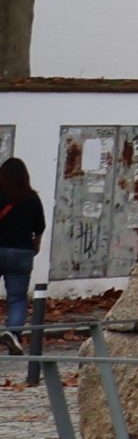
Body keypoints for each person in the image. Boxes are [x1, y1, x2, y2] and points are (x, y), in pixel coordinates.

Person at [0, 156, 40, 376]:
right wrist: (35, 247)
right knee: (17, 298)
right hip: (22, 252)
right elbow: (39, 227)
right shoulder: (32, 198)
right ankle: (13, 335)